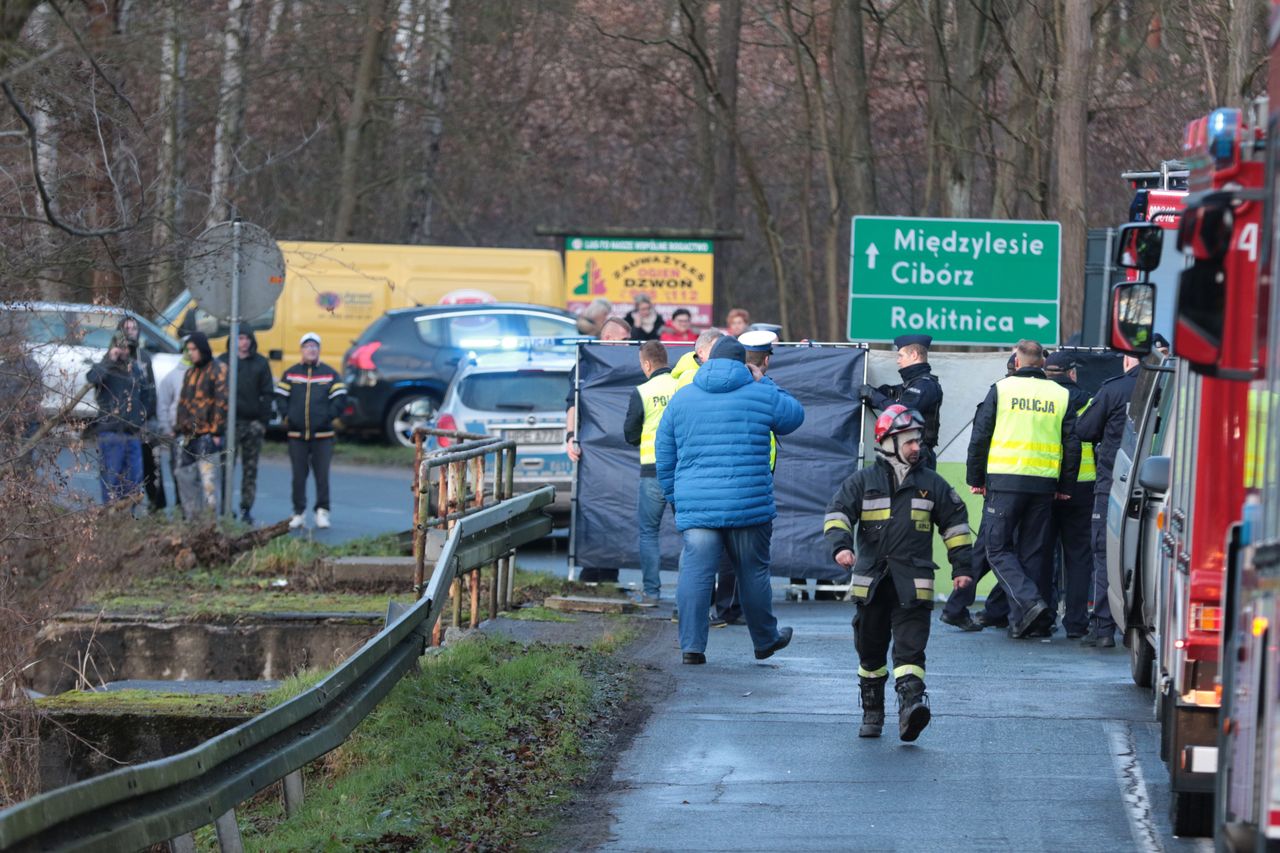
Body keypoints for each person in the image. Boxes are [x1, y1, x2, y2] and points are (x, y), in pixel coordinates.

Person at [825, 405, 973, 740]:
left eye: (918, 440)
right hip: (872, 583)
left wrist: (962, 567)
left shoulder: (932, 484)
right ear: (888, 442)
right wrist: (841, 546)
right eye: (908, 441)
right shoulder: (862, 482)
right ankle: (873, 710)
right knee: (870, 651)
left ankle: (911, 708)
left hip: (913, 583)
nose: (916, 447)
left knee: (910, 649)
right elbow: (837, 514)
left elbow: (956, 526)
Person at [656, 335, 804, 664]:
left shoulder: (682, 398)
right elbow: (794, 417)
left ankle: (692, 648)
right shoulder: (760, 392)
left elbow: (664, 456)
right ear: (744, 363)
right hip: (748, 504)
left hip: (697, 506)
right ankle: (765, 640)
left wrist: (675, 497)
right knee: (752, 572)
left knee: (695, 573)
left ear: (707, 362)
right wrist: (763, 379)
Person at [966, 339, 1080, 639]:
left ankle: (1029, 602)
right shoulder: (1059, 394)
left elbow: (981, 436)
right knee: (1033, 553)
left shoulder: (1002, 389)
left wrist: (975, 478)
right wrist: (1065, 485)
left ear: (1016, 361)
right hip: (1043, 484)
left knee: (996, 547)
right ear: (1042, 362)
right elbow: (1072, 443)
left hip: (1004, 481)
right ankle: (1024, 621)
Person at [1074, 353, 1141, 648]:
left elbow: (1084, 429)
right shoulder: (1170, 388)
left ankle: (1103, 627)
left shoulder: (1114, 389)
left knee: (1105, 554)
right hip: (1158, 486)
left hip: (1113, 484)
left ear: (1127, 359)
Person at [1043, 351, 1097, 639]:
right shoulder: (1089, 399)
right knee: (1078, 557)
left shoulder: (1043, 400)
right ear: (1072, 373)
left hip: (1046, 485)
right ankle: (1076, 622)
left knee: (1041, 554)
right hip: (1082, 486)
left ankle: (1043, 616)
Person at [623, 340, 677, 602]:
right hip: (683, 471)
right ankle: (691, 595)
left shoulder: (642, 391)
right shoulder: (684, 387)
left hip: (653, 470)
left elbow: (630, 434)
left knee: (648, 533)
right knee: (693, 534)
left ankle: (652, 594)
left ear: (646, 364)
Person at [276, 332, 347, 530]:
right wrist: (288, 416)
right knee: (298, 476)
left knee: (322, 476)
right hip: (297, 436)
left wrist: (328, 417)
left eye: (314, 347)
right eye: (307, 346)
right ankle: (298, 512)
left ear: (319, 350)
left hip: (323, 436)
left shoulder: (329, 373)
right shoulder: (291, 374)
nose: (311, 350)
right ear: (302, 350)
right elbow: (280, 397)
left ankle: (322, 512)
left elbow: (340, 398)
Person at [859, 334, 944, 470]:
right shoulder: (910, 385)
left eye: (901, 355)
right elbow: (886, 395)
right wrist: (868, 393)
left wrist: (872, 395)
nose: (898, 361)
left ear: (914, 355)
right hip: (905, 454)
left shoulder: (925, 386)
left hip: (918, 457)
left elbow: (903, 411)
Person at [87, 333, 152, 504]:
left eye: (126, 347)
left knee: (134, 480)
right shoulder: (105, 367)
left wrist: (141, 420)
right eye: (121, 347)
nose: (124, 351)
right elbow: (92, 378)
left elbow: (145, 394)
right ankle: (112, 515)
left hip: (132, 431)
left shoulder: (134, 369)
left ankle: (127, 518)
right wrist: (109, 360)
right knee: (112, 478)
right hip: (111, 431)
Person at [217, 330, 274, 524]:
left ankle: (246, 508)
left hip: (252, 423)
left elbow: (268, 393)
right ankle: (225, 506)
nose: (243, 343)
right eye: (240, 338)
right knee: (226, 468)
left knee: (250, 469)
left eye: (246, 339)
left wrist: (263, 422)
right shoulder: (223, 362)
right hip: (229, 424)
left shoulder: (260, 363)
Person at [174, 331, 228, 518]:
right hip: (189, 435)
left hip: (208, 434)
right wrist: (179, 428)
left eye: (194, 349)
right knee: (184, 475)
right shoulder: (190, 373)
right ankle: (192, 519)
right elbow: (183, 402)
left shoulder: (218, 369)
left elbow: (222, 402)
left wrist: (216, 431)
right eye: (188, 350)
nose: (191, 353)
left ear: (202, 349)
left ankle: (210, 524)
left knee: (208, 483)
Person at [156, 343, 191, 514]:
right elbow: (163, 404)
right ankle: (180, 508)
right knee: (178, 472)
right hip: (177, 433)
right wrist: (166, 428)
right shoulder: (172, 377)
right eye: (187, 349)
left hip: (199, 434)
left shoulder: (206, 374)